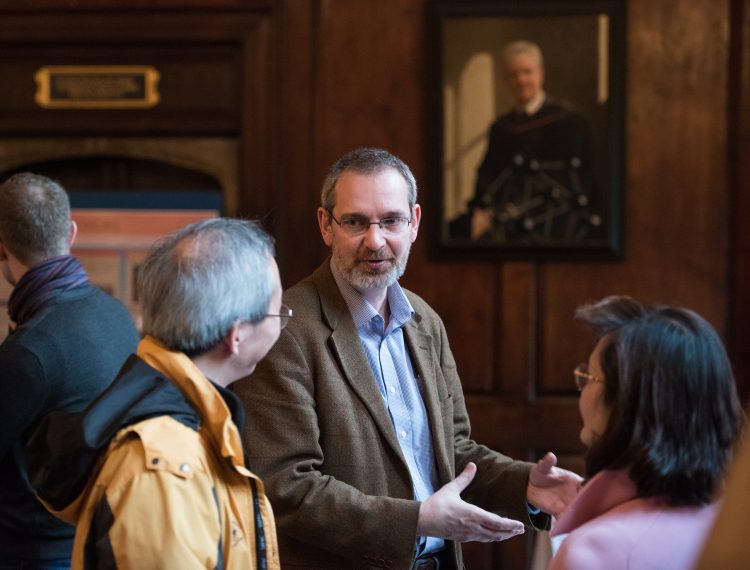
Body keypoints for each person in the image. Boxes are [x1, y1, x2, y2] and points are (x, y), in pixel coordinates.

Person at [235, 147, 582, 570]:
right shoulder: (286, 329)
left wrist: (525, 485)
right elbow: (285, 487)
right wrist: (414, 521)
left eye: (391, 221)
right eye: (355, 222)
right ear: (326, 225)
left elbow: (452, 451)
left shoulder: (424, 321)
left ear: (414, 223)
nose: (376, 240)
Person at [25, 218, 287, 568]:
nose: (281, 323)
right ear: (236, 335)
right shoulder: (163, 470)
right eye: (277, 312)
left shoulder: (194, 423)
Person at [0, 173, 139, 568]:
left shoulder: (29, 350)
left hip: (33, 552)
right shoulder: (116, 314)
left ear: (2, 248)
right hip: (99, 540)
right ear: (72, 232)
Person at [548, 295, 744, 570]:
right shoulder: (734, 528)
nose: (581, 390)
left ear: (626, 401)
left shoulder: (594, 552)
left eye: (588, 377)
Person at [450, 40, 600, 243]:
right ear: (506, 80)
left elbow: (580, 181)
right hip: (504, 221)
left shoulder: (569, 122)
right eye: (513, 75)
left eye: (527, 72)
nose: (521, 80)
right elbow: (487, 176)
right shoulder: (502, 128)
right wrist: (481, 211)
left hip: (554, 222)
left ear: (541, 74)